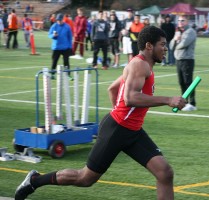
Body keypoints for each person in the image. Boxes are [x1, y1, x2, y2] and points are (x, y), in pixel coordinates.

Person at [14, 25, 186, 200]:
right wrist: (167, 100)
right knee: (85, 178)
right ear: (149, 46)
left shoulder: (144, 66)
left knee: (165, 173)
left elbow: (112, 89)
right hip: (117, 130)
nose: (165, 48)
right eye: (162, 44)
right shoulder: (139, 65)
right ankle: (34, 181)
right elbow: (130, 98)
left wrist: (120, 114)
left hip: (131, 130)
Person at [170, 15, 197, 112]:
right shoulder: (178, 32)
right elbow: (171, 45)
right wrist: (175, 39)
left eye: (182, 20)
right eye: (179, 20)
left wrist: (178, 40)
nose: (180, 22)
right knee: (181, 82)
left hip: (187, 60)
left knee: (188, 82)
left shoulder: (190, 32)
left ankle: (192, 103)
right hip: (178, 60)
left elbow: (183, 45)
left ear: (187, 22)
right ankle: (184, 102)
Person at [48, 13, 73, 80]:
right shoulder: (54, 26)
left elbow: (70, 37)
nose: (58, 21)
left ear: (62, 19)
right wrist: (53, 36)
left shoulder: (67, 27)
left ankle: (68, 75)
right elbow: (49, 35)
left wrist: (70, 47)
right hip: (56, 47)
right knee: (54, 61)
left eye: (60, 20)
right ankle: (52, 74)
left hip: (65, 47)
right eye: (57, 20)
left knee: (66, 62)